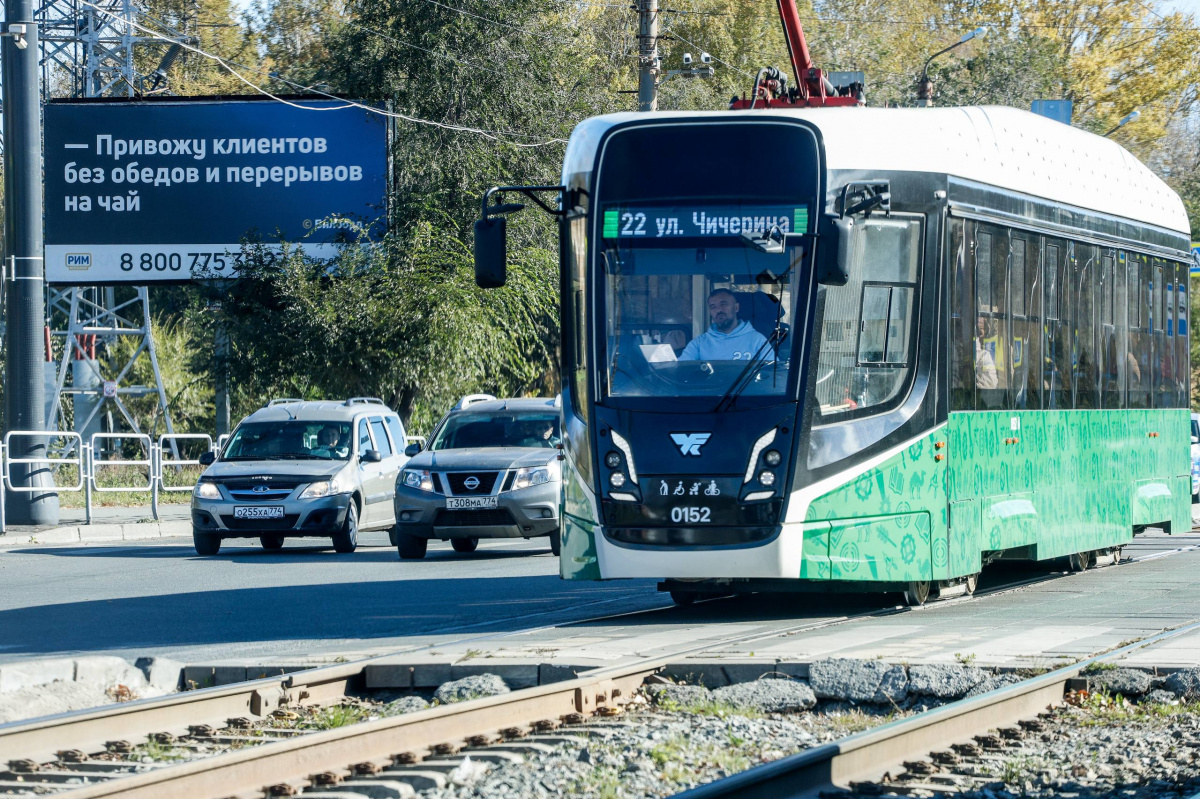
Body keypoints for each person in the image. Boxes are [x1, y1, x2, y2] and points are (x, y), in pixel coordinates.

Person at [679, 288, 769, 362]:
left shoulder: (758, 341)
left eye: (723, 304)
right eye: (713, 307)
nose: (718, 310)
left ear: (736, 308)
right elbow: (681, 370)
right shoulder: (699, 343)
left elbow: (771, 373)